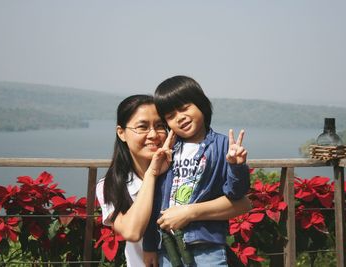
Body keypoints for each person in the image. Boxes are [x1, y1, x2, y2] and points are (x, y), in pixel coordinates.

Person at [96, 94, 250, 267]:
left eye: (160, 125)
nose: (153, 134)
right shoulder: (111, 184)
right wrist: (152, 174)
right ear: (121, 133)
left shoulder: (179, 168)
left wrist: (189, 212)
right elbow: (132, 231)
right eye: (142, 127)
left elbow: (243, 204)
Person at [143, 75, 251, 266]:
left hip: (208, 246)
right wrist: (150, 246)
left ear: (201, 104)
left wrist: (236, 166)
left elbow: (236, 193)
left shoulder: (222, 145)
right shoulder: (168, 151)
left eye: (184, 108)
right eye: (170, 116)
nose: (180, 117)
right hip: (168, 247)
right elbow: (155, 201)